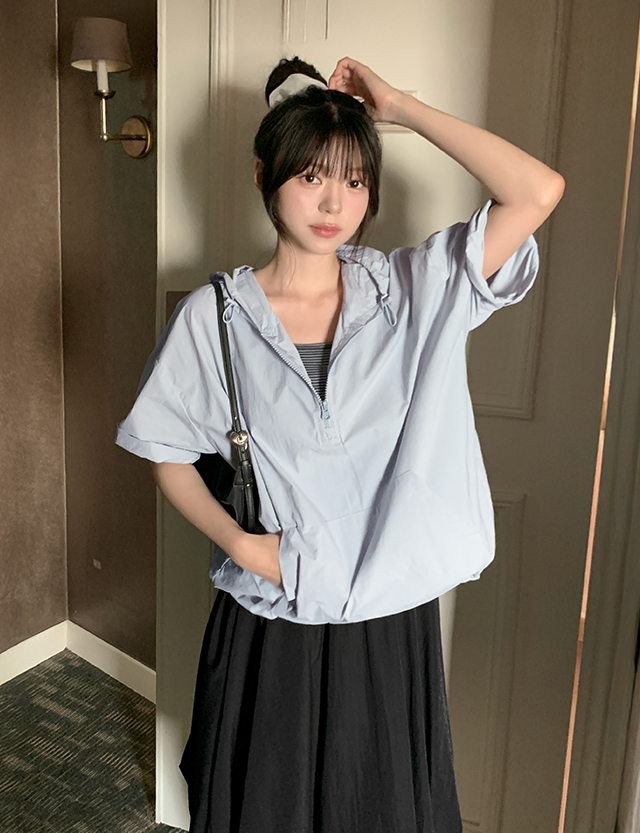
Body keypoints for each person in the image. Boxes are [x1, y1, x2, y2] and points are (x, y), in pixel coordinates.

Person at [116, 55, 564, 833]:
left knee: (380, 806)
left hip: (387, 616)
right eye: (312, 175)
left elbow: (537, 191)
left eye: (355, 180)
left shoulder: (411, 290)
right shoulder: (215, 317)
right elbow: (166, 451)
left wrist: (402, 108)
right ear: (264, 174)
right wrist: (242, 544)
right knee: (266, 807)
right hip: (272, 611)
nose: (334, 202)